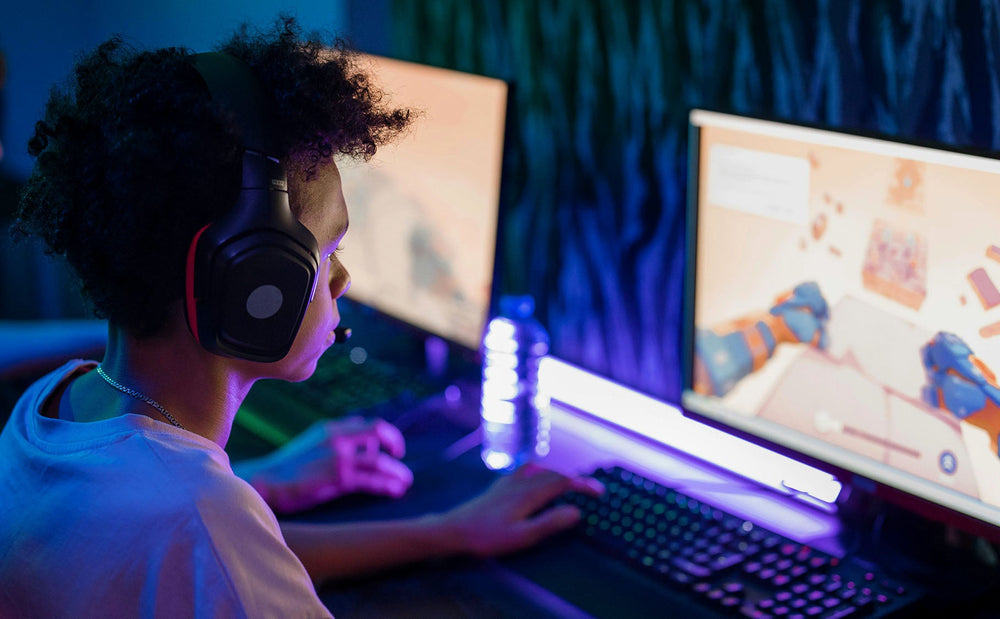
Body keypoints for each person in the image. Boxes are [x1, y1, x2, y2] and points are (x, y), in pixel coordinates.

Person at [0, 18, 600, 617]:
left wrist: (445, 531)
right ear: (249, 278)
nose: (343, 279)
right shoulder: (200, 518)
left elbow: (224, 558)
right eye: (329, 250)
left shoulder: (53, 405)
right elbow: (213, 548)